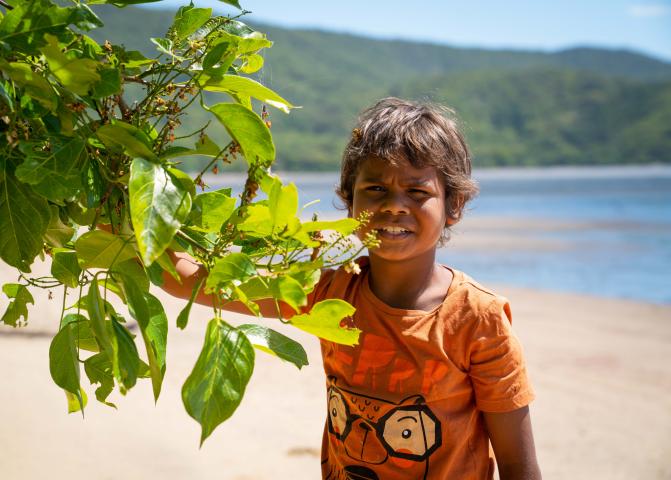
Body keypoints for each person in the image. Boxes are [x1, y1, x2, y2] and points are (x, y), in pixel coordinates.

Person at [162, 97, 541, 480]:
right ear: (349, 199)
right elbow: (191, 282)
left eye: (417, 192)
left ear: (453, 205)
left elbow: (518, 465)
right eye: (375, 188)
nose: (394, 206)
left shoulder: (477, 318)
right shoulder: (327, 291)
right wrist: (121, 215)